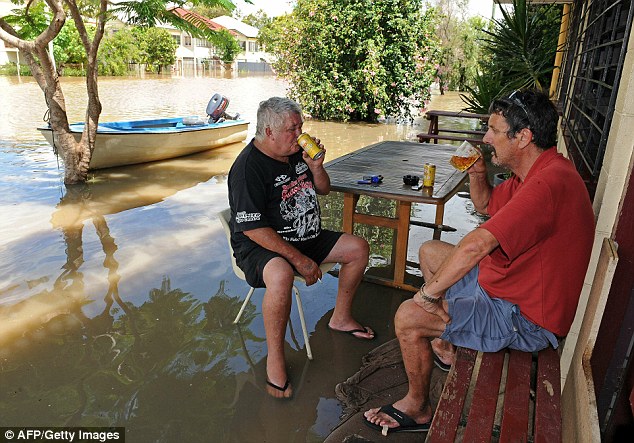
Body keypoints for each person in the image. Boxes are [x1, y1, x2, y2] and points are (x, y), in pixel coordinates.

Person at [364, 88, 595, 433]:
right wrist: (476, 173)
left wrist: (427, 296)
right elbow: (487, 205)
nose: (486, 138)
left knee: (409, 316)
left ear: (523, 137)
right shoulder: (537, 172)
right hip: (509, 286)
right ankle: (445, 344)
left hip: (527, 318)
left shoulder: (547, 185)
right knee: (430, 251)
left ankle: (418, 407)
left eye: (494, 130)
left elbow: (478, 244)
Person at [228, 97, 374, 399]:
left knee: (358, 248)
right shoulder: (247, 169)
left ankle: (341, 317)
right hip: (261, 244)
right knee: (281, 274)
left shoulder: (296, 154)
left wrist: (316, 166)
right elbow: (253, 228)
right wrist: (300, 260)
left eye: (300, 127)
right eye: (291, 129)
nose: (299, 135)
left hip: (307, 235)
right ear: (269, 132)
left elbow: (323, 188)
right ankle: (275, 361)